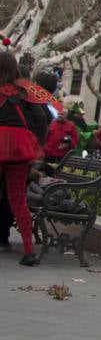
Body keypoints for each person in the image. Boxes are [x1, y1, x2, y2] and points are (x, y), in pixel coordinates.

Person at [0, 50, 54, 266]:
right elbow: (42, 117)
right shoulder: (23, 90)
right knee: (18, 200)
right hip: (20, 147)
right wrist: (37, 142)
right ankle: (29, 251)